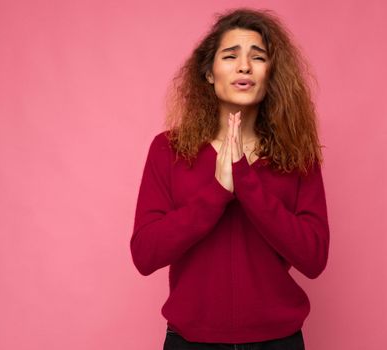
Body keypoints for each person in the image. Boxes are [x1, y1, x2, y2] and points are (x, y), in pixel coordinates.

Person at [129, 7, 330, 350]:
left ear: (271, 74)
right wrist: (218, 191)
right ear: (208, 73)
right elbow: (145, 254)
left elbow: (313, 258)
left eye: (258, 57)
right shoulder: (168, 150)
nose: (244, 66)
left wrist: (245, 181)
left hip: (278, 342)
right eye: (230, 55)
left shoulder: (297, 153)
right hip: (190, 342)